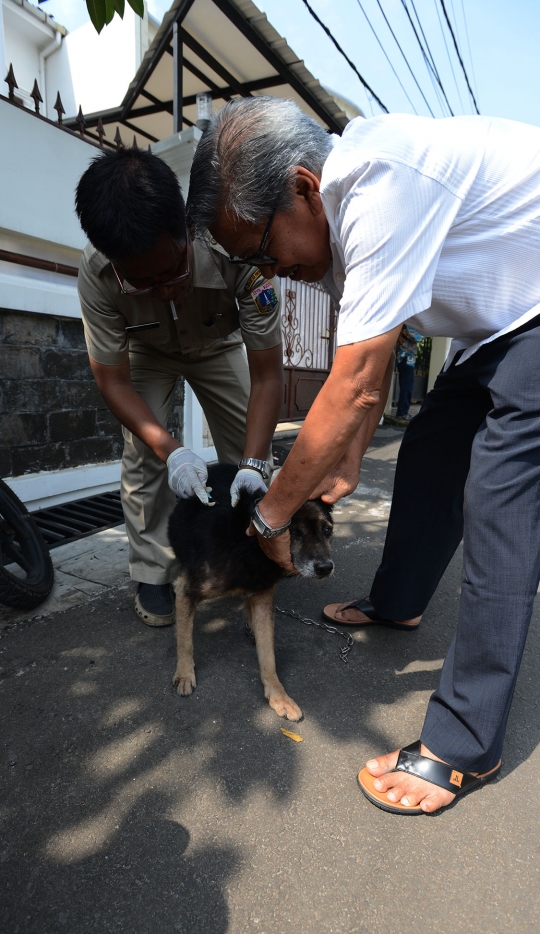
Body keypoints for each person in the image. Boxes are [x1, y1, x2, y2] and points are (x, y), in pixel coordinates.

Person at [187, 96, 540, 814]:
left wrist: (270, 516)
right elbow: (371, 362)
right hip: (495, 329)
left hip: (532, 319)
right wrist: (344, 459)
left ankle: (464, 742)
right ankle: (400, 602)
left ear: (303, 189)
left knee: (499, 501)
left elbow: (349, 384)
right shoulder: (344, 226)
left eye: (262, 250)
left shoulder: (382, 184)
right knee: (430, 452)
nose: (273, 272)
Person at [75, 147, 283, 627]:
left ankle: (254, 551)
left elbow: (268, 375)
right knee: (143, 453)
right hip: (145, 352)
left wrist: (252, 462)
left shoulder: (236, 246)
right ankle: (152, 569)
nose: (164, 289)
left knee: (248, 451)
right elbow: (111, 378)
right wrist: (171, 450)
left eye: (173, 271)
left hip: (219, 342)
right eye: (143, 283)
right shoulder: (96, 273)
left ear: (186, 229)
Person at [389, 324, 424, 425]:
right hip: (406, 359)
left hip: (407, 359)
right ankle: (402, 413)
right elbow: (418, 337)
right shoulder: (407, 324)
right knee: (407, 387)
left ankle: (403, 412)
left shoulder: (406, 323)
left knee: (406, 387)